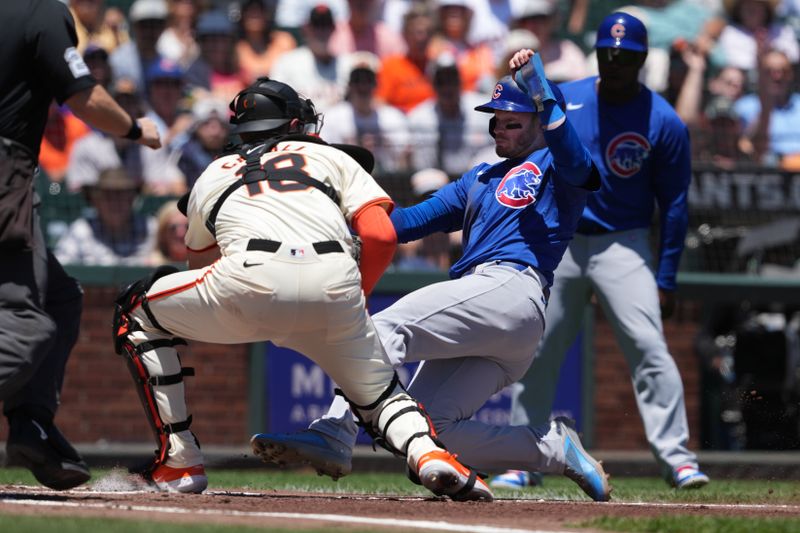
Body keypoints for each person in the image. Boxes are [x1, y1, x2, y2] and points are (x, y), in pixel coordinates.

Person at [241, 57, 613, 502]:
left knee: (380, 328)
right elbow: (403, 224)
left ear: (538, 119)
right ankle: (553, 447)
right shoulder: (479, 177)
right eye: (496, 123)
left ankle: (335, 432)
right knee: (426, 428)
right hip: (496, 314)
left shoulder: (557, 166)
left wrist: (540, 87)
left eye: (512, 123)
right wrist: (335, 201)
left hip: (513, 286)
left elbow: (576, 158)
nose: (500, 131)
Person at [111, 76, 493, 501]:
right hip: (335, 279)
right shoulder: (330, 157)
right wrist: (358, 295)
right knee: (379, 394)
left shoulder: (214, 170)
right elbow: (381, 237)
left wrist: (238, 310)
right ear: (295, 123)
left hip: (246, 277)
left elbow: (201, 264)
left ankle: (178, 461)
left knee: (135, 311)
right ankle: (429, 454)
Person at [499, 11, 711, 490]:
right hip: (563, 239)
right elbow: (529, 101)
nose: (615, 62)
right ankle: (523, 457)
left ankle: (677, 458)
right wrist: (526, 70)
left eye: (626, 56)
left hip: (624, 241)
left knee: (649, 347)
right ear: (597, 53)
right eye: (608, 54)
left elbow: (674, 205)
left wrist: (668, 277)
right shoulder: (569, 96)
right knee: (537, 347)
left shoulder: (664, 120)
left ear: (640, 60)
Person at [0, 0, 160, 491]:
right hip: (5, 170)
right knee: (26, 325)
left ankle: (33, 425)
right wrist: (135, 128)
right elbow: (83, 96)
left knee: (59, 296)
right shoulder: (41, 12)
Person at [54, 167, 157, 266]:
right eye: (108, 197)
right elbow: (60, 271)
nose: (115, 203)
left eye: (121, 197)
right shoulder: (81, 231)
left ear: (132, 200)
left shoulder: (151, 228)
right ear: (95, 201)